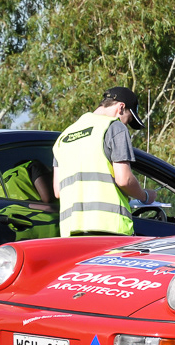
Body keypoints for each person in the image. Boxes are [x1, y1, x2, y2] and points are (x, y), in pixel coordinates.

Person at [52, 86, 156, 236]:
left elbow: (58, 191)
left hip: (70, 232)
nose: (126, 124)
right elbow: (124, 180)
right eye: (128, 119)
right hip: (109, 229)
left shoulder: (63, 137)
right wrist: (145, 196)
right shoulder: (114, 127)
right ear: (121, 108)